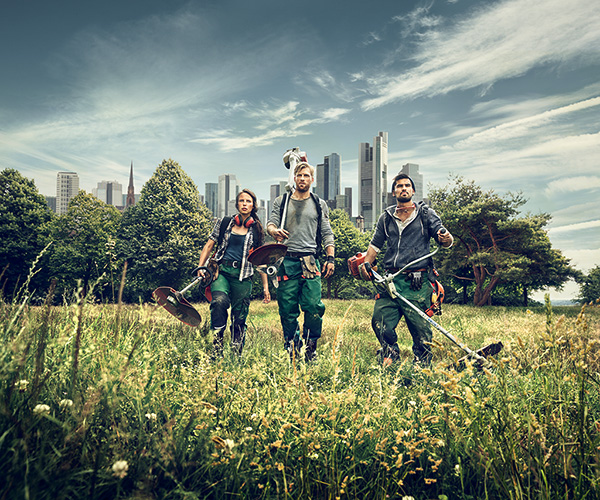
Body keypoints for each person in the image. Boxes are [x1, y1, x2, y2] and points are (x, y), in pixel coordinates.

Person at [359, 173, 453, 366]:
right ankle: (390, 354)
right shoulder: (386, 217)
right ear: (394, 192)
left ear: (413, 190)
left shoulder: (426, 214)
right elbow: (375, 246)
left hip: (417, 281)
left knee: (420, 329)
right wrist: (366, 265)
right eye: (399, 186)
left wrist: (446, 238)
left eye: (407, 186)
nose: (403, 188)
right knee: (380, 320)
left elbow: (443, 235)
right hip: (390, 280)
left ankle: (422, 364)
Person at [267, 161, 335, 361]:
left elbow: (327, 233)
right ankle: (293, 348)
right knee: (287, 309)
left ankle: (311, 347)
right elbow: (270, 223)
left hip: (309, 261)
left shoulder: (318, 204)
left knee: (314, 307)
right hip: (286, 260)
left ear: (312, 180)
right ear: (294, 178)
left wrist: (330, 257)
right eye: (299, 175)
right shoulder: (282, 200)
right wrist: (274, 231)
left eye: (306, 176)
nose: (303, 179)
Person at [197, 189, 270, 358]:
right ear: (237, 204)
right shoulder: (224, 223)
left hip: (243, 276)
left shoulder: (257, 230)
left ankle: (236, 354)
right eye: (242, 201)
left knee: (239, 317)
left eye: (248, 201)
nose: (245, 204)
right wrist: (201, 266)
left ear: (253, 205)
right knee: (219, 302)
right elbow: (209, 245)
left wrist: (266, 287)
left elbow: (261, 259)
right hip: (221, 272)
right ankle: (217, 348)